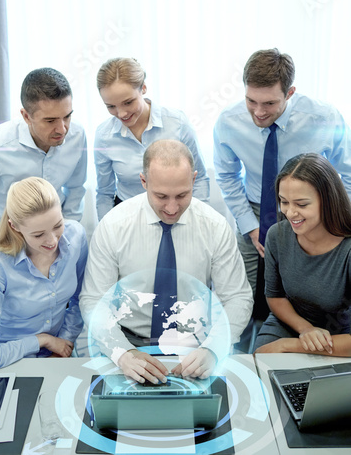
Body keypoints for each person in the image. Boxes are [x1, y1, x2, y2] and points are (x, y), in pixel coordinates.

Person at [80, 140, 253, 384]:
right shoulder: (113, 226)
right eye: (161, 196)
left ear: (194, 180)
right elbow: (94, 300)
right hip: (128, 341)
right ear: (143, 182)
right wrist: (122, 353)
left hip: (196, 344)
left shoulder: (215, 227)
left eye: (182, 195)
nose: (172, 208)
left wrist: (214, 348)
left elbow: (237, 297)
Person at [213, 48, 351, 295]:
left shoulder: (324, 118)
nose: (258, 112)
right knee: (244, 292)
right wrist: (250, 226)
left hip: (312, 213)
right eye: (251, 101)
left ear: (290, 93)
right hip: (255, 211)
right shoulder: (228, 121)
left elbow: (348, 173)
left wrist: (333, 219)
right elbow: (227, 175)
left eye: (269, 103)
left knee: (303, 292)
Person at [0, 67, 87, 272]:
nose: (63, 129)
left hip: (54, 233)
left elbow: (76, 187)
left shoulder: (77, 135)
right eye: (50, 120)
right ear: (26, 116)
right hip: (5, 235)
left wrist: (66, 231)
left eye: (67, 116)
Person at [0, 177, 88, 372]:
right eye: (38, 234)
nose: (52, 241)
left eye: (58, 225)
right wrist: (41, 341)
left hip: (59, 351)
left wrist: (63, 342)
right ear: (14, 227)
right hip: (7, 360)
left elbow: (80, 299)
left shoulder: (76, 236)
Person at [254, 154, 351, 357]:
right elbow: (275, 297)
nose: (289, 213)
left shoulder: (347, 248)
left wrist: (289, 345)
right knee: (261, 364)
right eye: (284, 202)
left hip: (342, 335)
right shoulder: (276, 235)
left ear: (328, 201)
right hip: (290, 322)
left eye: (301, 204)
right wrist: (305, 329)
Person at [94, 57, 210, 220]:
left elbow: (199, 179)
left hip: (177, 212)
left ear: (143, 88)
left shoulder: (177, 123)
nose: (121, 114)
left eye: (128, 102)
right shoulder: (104, 136)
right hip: (128, 216)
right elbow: (104, 193)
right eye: (111, 106)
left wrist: (197, 221)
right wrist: (106, 229)